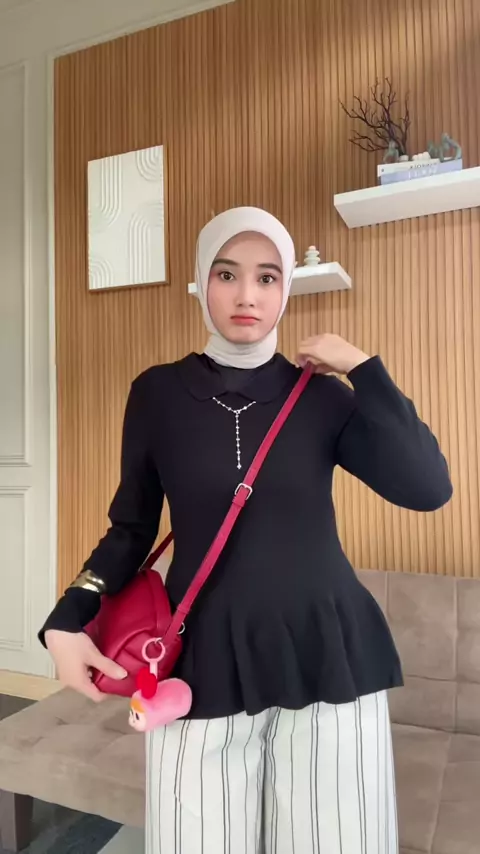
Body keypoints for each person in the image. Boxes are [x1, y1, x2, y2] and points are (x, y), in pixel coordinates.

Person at [41, 207, 453, 854]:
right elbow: (131, 527)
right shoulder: (157, 394)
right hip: (198, 660)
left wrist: (364, 368)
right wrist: (66, 619)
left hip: (327, 653)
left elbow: (427, 489)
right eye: (227, 274)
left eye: (267, 277)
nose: (247, 296)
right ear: (201, 282)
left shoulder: (324, 397)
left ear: (286, 288)